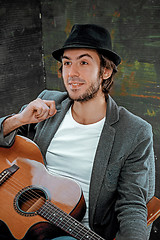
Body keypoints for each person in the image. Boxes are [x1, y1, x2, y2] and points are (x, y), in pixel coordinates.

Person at [0, 24, 155, 240]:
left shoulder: (134, 132)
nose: (72, 73)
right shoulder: (48, 102)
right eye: (66, 63)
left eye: (83, 62)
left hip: (76, 232)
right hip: (20, 219)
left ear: (105, 71)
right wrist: (19, 119)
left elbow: (132, 204)